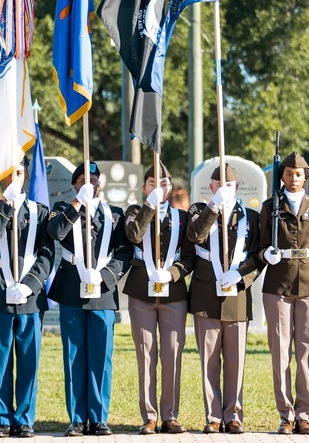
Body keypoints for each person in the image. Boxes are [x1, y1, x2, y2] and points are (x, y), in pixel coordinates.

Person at [47, 161, 131, 437]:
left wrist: (106, 276)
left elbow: (123, 253)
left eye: (94, 180)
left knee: (100, 357)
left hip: (102, 292)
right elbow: (56, 232)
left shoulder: (114, 215)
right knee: (73, 356)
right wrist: (75, 205)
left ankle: (98, 417)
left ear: (101, 183)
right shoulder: (62, 209)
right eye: (83, 180)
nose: (89, 184)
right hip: (72, 287)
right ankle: (77, 418)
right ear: (75, 184)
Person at [257, 152, 309, 436]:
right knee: (280, 352)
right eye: (288, 173)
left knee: (306, 351)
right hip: (277, 286)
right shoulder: (270, 206)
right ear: (282, 176)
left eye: (298, 174)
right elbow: (259, 245)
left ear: (305, 177)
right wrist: (266, 253)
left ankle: (304, 414)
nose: (293, 178)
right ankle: (285, 415)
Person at [0, 160, 54, 439]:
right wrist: (5, 204)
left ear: (26, 177)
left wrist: (31, 285)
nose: (13, 178)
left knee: (29, 360)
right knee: (1, 361)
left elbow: (47, 255)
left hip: (30, 297)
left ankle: (23, 419)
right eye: (8, 174)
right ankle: (3, 420)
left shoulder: (40, 212)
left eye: (18, 174)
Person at [186, 163, 263, 435]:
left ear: (236, 188)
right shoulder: (198, 211)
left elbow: (257, 257)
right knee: (209, 360)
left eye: (229, 186)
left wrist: (242, 277)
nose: (224, 190)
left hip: (237, 295)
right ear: (212, 187)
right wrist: (214, 207)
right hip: (206, 293)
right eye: (219, 185)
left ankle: (233, 415)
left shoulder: (250, 218)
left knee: (235, 359)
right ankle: (213, 417)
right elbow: (195, 235)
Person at [122, 163, 193, 435]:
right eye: (152, 183)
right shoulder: (133, 213)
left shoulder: (182, 218)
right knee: (146, 354)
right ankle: (149, 416)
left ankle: (170, 415)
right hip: (142, 291)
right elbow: (133, 235)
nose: (158, 188)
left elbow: (189, 258)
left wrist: (173, 274)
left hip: (173, 293)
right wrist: (149, 207)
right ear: (144, 188)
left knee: (172, 354)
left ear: (170, 187)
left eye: (163, 183)